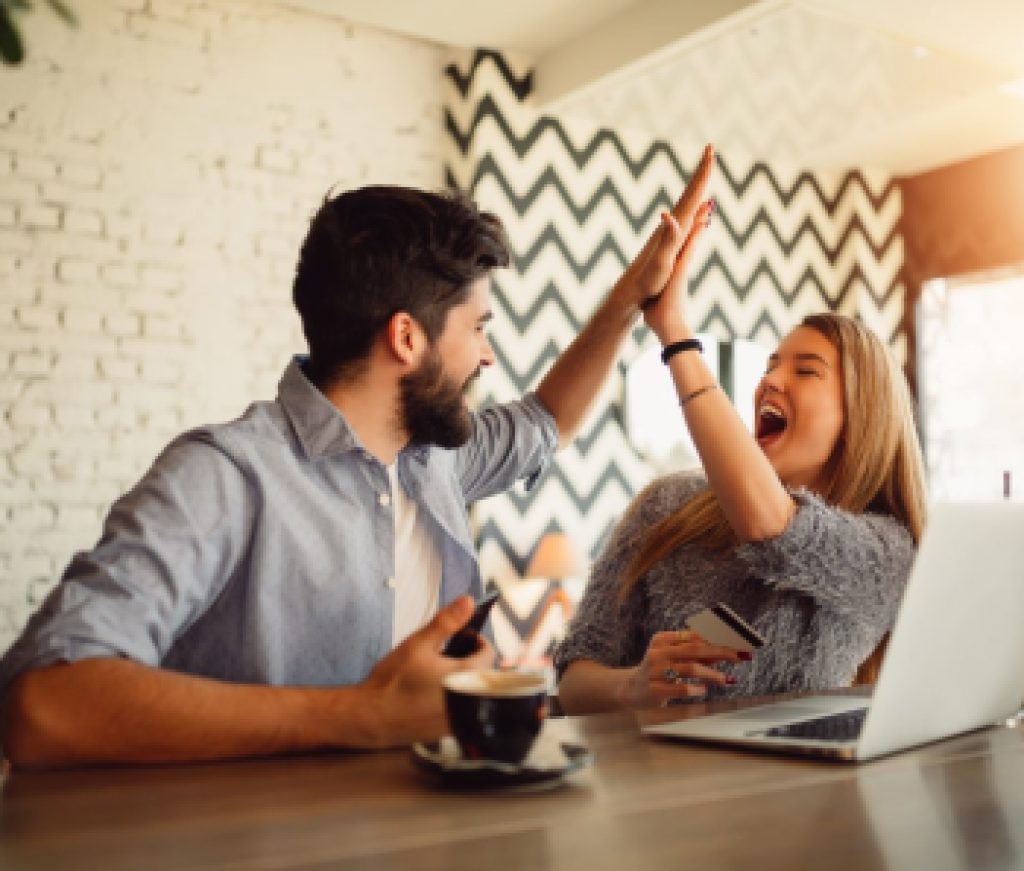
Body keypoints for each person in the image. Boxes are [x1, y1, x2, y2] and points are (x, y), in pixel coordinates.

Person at [0, 148, 717, 767]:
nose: (488, 353)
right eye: (478, 326)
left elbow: (547, 419)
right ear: (407, 338)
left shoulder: (435, 460)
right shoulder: (224, 476)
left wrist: (634, 295)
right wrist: (359, 715)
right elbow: (41, 704)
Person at [555, 171, 928, 714]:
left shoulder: (888, 552)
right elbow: (574, 678)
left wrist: (675, 335)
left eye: (806, 371)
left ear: (861, 417)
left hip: (790, 795)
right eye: (772, 364)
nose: (770, 381)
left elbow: (772, 527)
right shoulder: (665, 506)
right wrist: (631, 686)